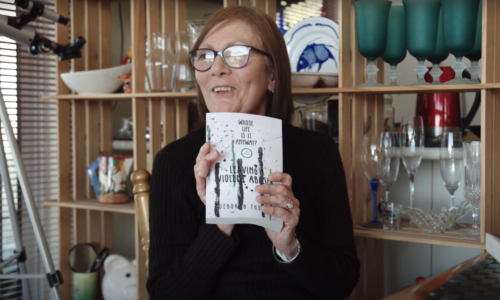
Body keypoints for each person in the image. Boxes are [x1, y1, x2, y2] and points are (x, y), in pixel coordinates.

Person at [147, 6, 359, 300]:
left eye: (236, 54)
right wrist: (221, 218)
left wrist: (290, 247)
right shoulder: (173, 161)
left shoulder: (318, 151)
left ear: (272, 76)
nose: (216, 68)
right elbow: (164, 294)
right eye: (205, 56)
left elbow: (341, 283)